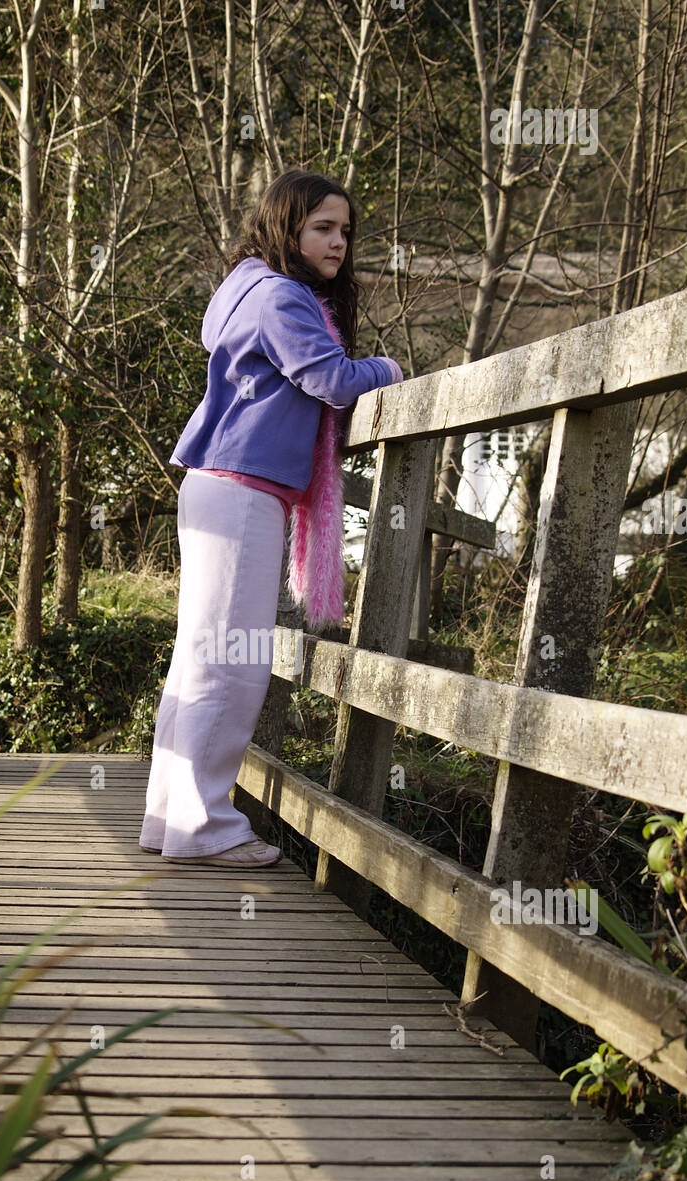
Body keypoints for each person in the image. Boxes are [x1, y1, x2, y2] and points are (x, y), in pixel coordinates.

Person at [138, 168, 404, 868]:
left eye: (345, 230)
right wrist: (390, 369)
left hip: (217, 485)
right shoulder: (281, 298)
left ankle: (170, 815)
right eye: (323, 227)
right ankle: (203, 827)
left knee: (202, 656)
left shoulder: (246, 289)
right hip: (240, 491)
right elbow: (331, 379)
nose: (339, 242)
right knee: (232, 661)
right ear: (285, 226)